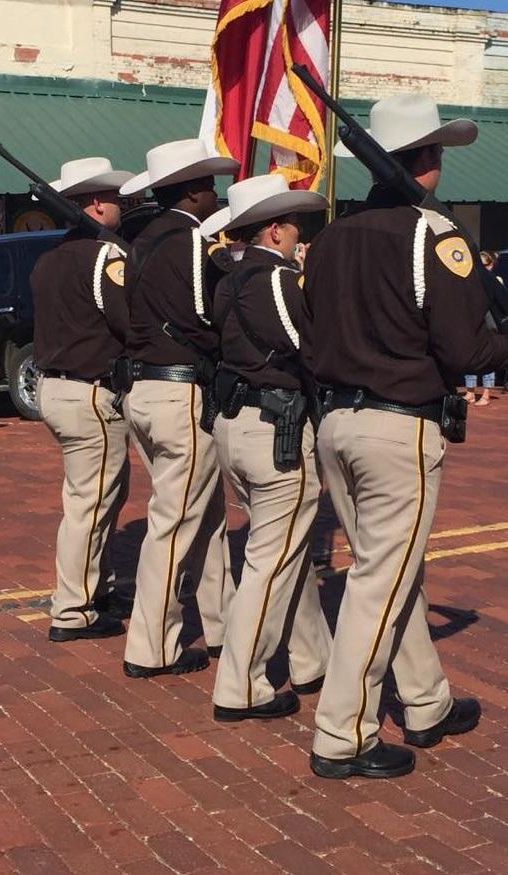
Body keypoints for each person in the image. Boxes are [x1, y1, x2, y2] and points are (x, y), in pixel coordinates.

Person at [303, 93, 508, 779]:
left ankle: (424, 701)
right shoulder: (431, 234)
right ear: (427, 160)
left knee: (389, 573)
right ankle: (342, 734)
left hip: (335, 419)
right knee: (380, 581)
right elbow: (462, 346)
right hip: (396, 425)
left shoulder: (330, 237)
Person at [206, 174, 331, 721]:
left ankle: (311, 658)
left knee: (284, 549)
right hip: (275, 424)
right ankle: (241, 685)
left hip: (239, 423)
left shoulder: (228, 280)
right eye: (293, 226)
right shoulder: (277, 279)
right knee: (270, 563)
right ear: (275, 230)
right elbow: (309, 347)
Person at [119, 139, 239, 678]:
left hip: (144, 390)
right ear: (190, 190)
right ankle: (153, 646)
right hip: (179, 390)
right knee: (176, 523)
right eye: (207, 186)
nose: (213, 195)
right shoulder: (190, 237)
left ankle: (223, 626)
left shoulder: (141, 238)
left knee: (207, 518)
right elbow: (198, 315)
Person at [31, 157, 134, 641]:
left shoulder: (49, 258)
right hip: (89, 391)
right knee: (89, 505)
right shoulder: (106, 258)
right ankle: (72, 610)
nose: (119, 205)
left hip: (56, 389)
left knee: (98, 498)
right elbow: (126, 321)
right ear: (95, 203)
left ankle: (99, 588)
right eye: (113, 197)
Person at [463, 250, 503, 406]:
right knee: (471, 355)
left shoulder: (495, 280)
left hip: (489, 323)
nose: (482, 268)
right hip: (473, 321)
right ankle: (470, 392)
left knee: (487, 356)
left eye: (485, 264)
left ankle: (486, 394)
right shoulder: (473, 279)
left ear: (491, 264)